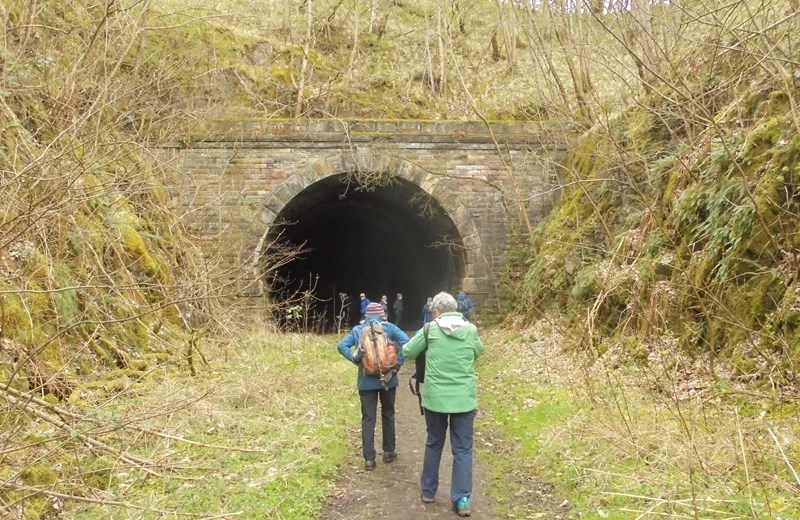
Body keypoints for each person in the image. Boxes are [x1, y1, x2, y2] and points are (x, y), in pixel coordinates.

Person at [402, 291, 484, 517]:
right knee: (463, 449)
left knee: (434, 443)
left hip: (435, 400)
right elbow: (479, 352)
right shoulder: (470, 329)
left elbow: (407, 351)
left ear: (436, 311)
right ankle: (462, 499)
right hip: (464, 400)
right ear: (456, 309)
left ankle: (428, 491)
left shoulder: (429, 329)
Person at [337, 302, 409, 471]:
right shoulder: (389, 328)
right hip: (389, 380)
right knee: (388, 414)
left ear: (366, 315)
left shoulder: (358, 330)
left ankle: (369, 459)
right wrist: (397, 364)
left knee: (368, 418)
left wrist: (354, 358)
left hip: (366, 381)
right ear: (382, 314)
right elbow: (406, 342)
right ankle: (389, 451)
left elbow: (341, 346)